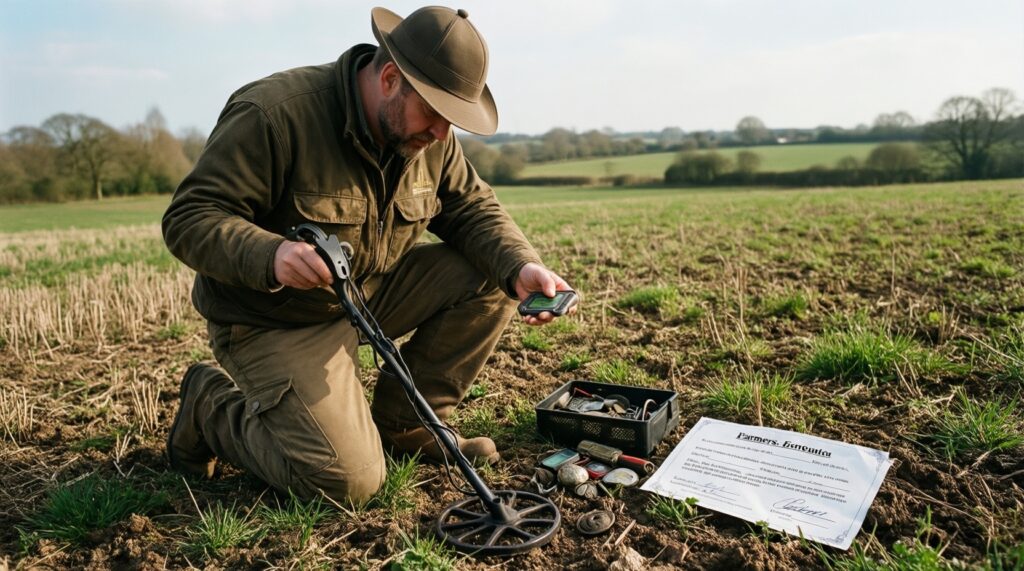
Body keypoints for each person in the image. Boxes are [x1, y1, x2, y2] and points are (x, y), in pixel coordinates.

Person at [161, 5, 575, 504]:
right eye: (437, 114)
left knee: (493, 273)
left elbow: (469, 205)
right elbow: (190, 217)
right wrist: (271, 255)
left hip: (366, 294)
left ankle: (406, 425)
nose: (444, 134)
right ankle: (210, 406)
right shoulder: (274, 113)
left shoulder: (430, 137)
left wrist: (521, 265)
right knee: (346, 482)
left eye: (454, 120)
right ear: (388, 77)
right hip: (272, 316)